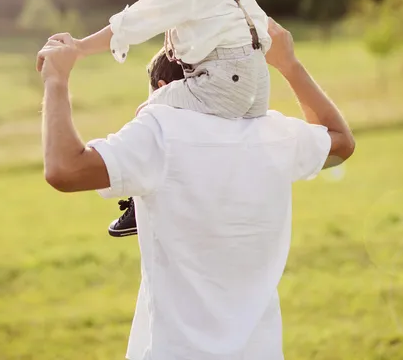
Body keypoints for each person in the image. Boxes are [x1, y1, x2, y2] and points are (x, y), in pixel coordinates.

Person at [37, 19, 355, 360]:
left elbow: (63, 169)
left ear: (163, 87)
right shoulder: (272, 133)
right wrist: (289, 65)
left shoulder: (161, 128)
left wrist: (57, 80)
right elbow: (340, 142)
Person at [41, 0, 272, 236]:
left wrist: (81, 47)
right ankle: (208, 192)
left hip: (224, 79)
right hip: (256, 82)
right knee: (194, 121)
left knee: (152, 111)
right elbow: (261, 29)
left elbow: (135, 21)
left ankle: (137, 198)